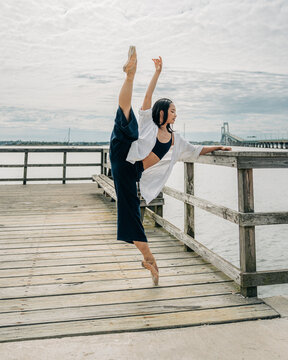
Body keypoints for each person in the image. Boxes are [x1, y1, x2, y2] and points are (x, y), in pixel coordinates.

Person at [109, 46, 231, 286]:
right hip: (122, 152)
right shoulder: (149, 123)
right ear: (162, 112)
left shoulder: (176, 140)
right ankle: (129, 74)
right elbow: (147, 98)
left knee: (131, 214)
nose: (176, 114)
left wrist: (217, 148)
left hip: (131, 171)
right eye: (173, 111)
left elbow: (197, 150)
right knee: (126, 117)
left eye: (176, 111)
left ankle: (149, 260)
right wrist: (157, 73)